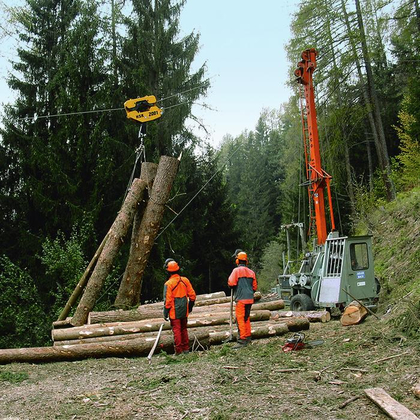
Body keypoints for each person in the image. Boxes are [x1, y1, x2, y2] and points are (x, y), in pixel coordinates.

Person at [163, 258, 196, 355]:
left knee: (177, 330)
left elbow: (168, 301)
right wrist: (190, 307)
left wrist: (165, 312)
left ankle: (179, 350)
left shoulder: (168, 284)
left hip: (174, 310)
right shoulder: (185, 280)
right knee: (184, 329)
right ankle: (186, 349)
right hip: (184, 309)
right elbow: (192, 296)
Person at [228, 250, 258, 349]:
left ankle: (242, 340)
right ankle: (248, 336)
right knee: (246, 318)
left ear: (237, 261)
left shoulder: (236, 271)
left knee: (240, 319)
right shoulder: (251, 272)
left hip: (241, 299)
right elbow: (254, 287)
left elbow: (231, 283)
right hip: (249, 299)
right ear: (246, 261)